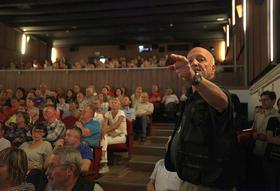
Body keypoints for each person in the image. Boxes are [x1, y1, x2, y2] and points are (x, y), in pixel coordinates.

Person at [165, 47, 242, 190]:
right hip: (188, 179)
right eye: (189, 61)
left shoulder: (221, 94)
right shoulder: (188, 98)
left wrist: (194, 77)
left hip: (210, 184)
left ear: (212, 69)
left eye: (200, 59)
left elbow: (221, 101)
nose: (193, 63)